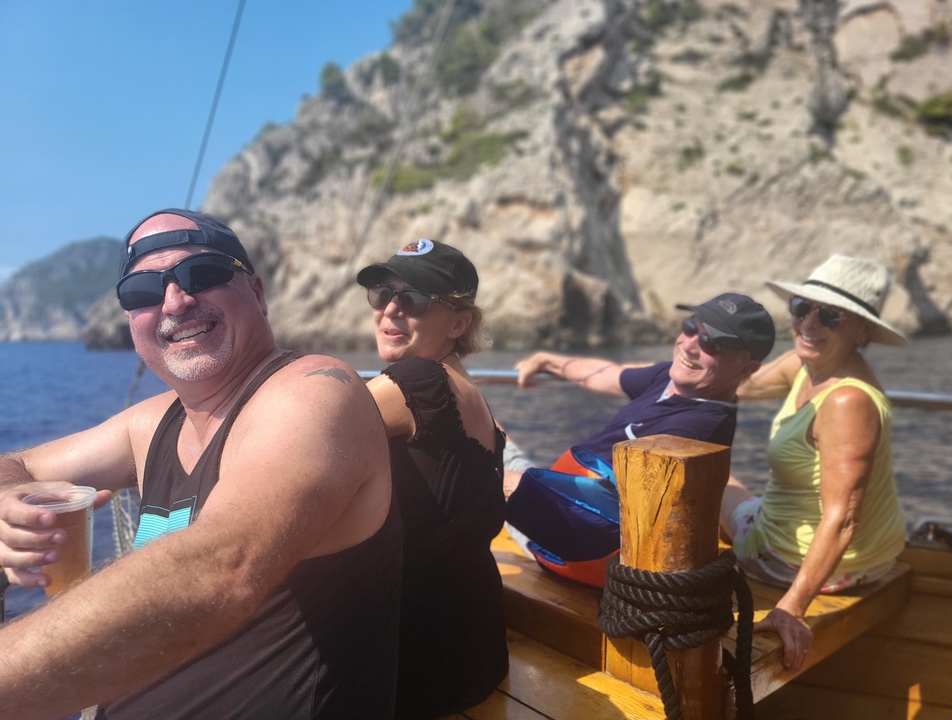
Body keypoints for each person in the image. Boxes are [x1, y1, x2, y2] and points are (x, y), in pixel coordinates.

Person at [0, 209, 402, 720]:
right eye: (142, 291)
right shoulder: (150, 424)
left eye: (203, 274)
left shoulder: (315, 390)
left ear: (256, 292)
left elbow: (220, 570)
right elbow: (19, 464)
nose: (175, 301)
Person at [722, 255, 907, 674]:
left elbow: (843, 519)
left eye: (831, 316)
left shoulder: (847, 401)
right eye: (802, 307)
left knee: (709, 478)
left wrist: (791, 608)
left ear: (863, 331)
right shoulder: (807, 365)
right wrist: (702, 350)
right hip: (868, 553)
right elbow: (740, 385)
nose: (809, 323)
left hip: (806, 562)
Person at [357, 238, 508, 719]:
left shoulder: (417, 382)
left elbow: (301, 440)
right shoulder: (471, 394)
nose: (391, 310)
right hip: (476, 652)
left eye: (415, 299)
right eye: (382, 294)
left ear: (460, 323)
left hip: (417, 668)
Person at [506, 293, 777, 492]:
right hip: (559, 497)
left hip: (568, 535)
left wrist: (502, 484)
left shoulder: (691, 433)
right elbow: (605, 376)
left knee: (476, 437)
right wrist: (547, 361)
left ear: (748, 368)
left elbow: (605, 504)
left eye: (710, 343)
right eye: (690, 328)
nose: (688, 346)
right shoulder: (672, 379)